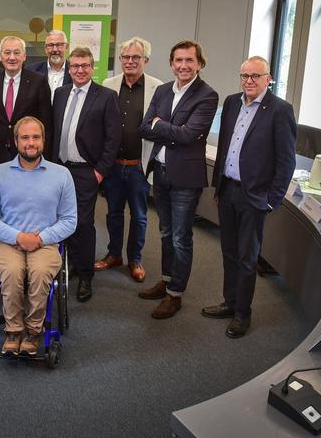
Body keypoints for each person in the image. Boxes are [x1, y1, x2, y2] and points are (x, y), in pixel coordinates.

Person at [203, 56, 296, 338]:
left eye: (256, 76)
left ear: (269, 78)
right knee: (229, 252)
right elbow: (224, 149)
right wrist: (218, 186)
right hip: (228, 189)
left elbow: (286, 161)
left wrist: (272, 199)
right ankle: (230, 302)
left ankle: (243, 313)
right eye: (244, 76)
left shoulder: (280, 110)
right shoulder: (231, 102)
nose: (249, 81)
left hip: (254, 196)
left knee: (247, 258)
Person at [0, 116, 77, 356]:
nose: (30, 142)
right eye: (25, 137)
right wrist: (18, 237)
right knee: (12, 272)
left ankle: (34, 331)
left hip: (45, 243)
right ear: (16, 141)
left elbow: (69, 220)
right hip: (8, 241)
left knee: (41, 272)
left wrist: (41, 238)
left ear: (44, 141)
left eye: (36, 137)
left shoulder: (62, 175)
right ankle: (13, 330)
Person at [137, 40, 219, 319]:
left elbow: (189, 135)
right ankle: (167, 278)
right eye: (178, 61)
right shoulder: (162, 90)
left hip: (185, 178)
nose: (183, 66)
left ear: (199, 63)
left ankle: (176, 294)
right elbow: (144, 128)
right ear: (171, 63)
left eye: (189, 61)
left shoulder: (207, 95)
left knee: (181, 238)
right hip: (160, 173)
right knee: (165, 232)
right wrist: (166, 128)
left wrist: (161, 125)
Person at [52, 47, 122, 303]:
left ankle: (85, 276)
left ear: (93, 68)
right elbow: (55, 130)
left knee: (82, 224)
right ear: (69, 69)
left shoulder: (106, 96)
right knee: (59, 220)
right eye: (75, 66)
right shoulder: (59, 94)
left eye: (85, 66)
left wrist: (99, 172)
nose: (79, 70)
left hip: (86, 172)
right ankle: (65, 265)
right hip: (59, 169)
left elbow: (113, 138)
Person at [94, 36, 162, 282]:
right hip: (112, 165)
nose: (130, 61)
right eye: (126, 57)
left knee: (140, 216)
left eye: (136, 57)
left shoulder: (158, 87)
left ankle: (135, 258)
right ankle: (114, 254)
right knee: (113, 213)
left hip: (139, 167)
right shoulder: (108, 84)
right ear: (120, 59)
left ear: (146, 60)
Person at [0, 36, 53, 167]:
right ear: (0, 56)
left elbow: (46, 124)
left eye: (17, 52)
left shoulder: (38, 81)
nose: (12, 57)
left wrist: (45, 158)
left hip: (29, 155)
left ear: (24, 56)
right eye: (7, 52)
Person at [26, 30, 72, 101]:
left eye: (59, 45)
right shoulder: (31, 71)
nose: (55, 49)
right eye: (50, 45)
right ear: (45, 48)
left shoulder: (76, 72)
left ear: (66, 47)